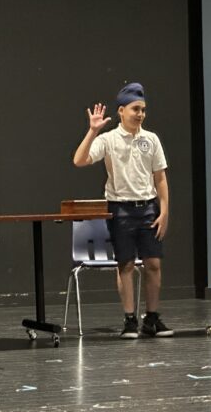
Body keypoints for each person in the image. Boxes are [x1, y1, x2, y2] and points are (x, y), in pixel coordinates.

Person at [73, 83, 172, 339]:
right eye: (135, 109)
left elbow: (160, 178)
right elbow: (79, 160)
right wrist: (93, 131)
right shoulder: (108, 140)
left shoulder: (151, 139)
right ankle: (130, 319)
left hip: (148, 207)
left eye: (143, 110)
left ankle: (151, 318)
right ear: (121, 110)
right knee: (126, 264)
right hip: (120, 208)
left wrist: (164, 211)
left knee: (153, 263)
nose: (140, 114)